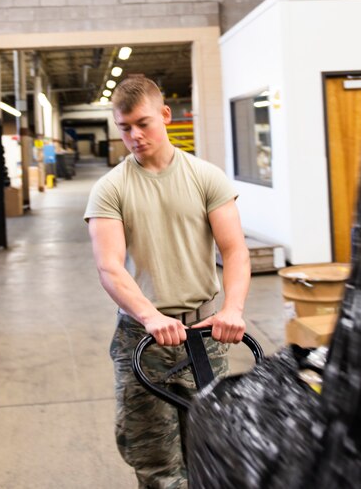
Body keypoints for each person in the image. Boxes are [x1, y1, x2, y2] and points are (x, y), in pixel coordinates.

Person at [84, 75, 252, 489]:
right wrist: (150, 315)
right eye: (124, 128)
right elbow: (110, 267)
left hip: (204, 335)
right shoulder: (110, 189)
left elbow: (234, 251)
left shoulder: (205, 177)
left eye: (143, 123)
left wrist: (232, 309)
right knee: (157, 463)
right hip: (143, 338)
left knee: (210, 452)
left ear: (165, 115)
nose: (135, 136)